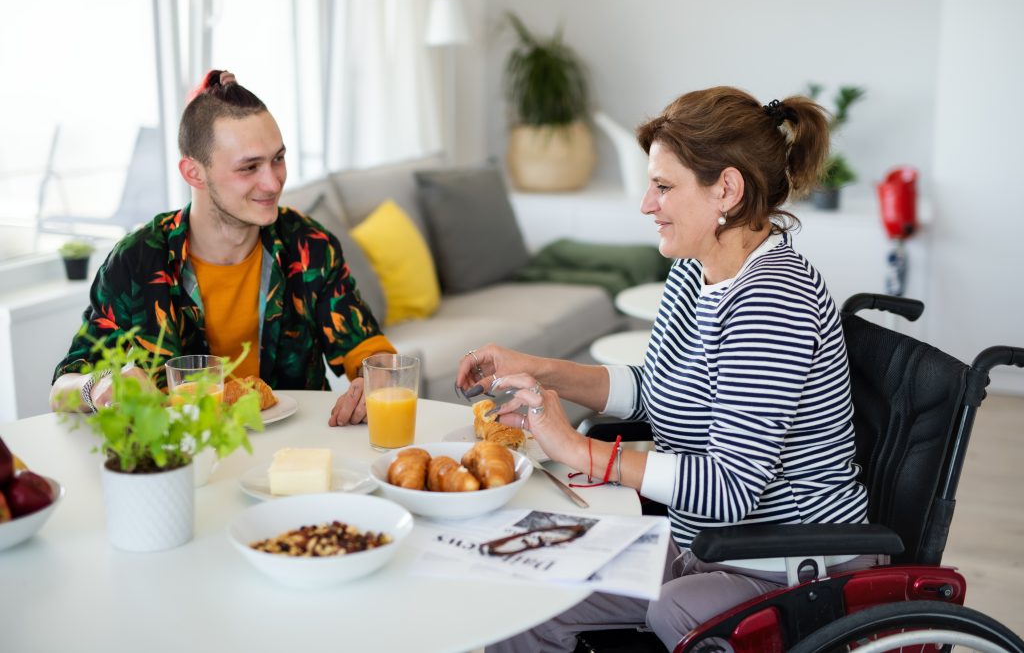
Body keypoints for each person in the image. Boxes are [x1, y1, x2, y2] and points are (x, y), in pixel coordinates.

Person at [456, 86, 873, 652]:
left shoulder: (773, 299)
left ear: (726, 188)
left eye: (663, 186)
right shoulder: (695, 267)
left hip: (784, 559)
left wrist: (580, 452)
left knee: (671, 610)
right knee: (531, 593)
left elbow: (730, 488)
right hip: (706, 542)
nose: (646, 205)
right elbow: (655, 390)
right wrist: (538, 369)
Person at [50, 70, 394, 426]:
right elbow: (63, 386)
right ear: (194, 173)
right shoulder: (137, 260)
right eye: (250, 167)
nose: (273, 181)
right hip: (183, 460)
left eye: (278, 158)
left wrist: (377, 382)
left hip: (296, 456)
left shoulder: (308, 244)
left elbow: (367, 349)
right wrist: (101, 386)